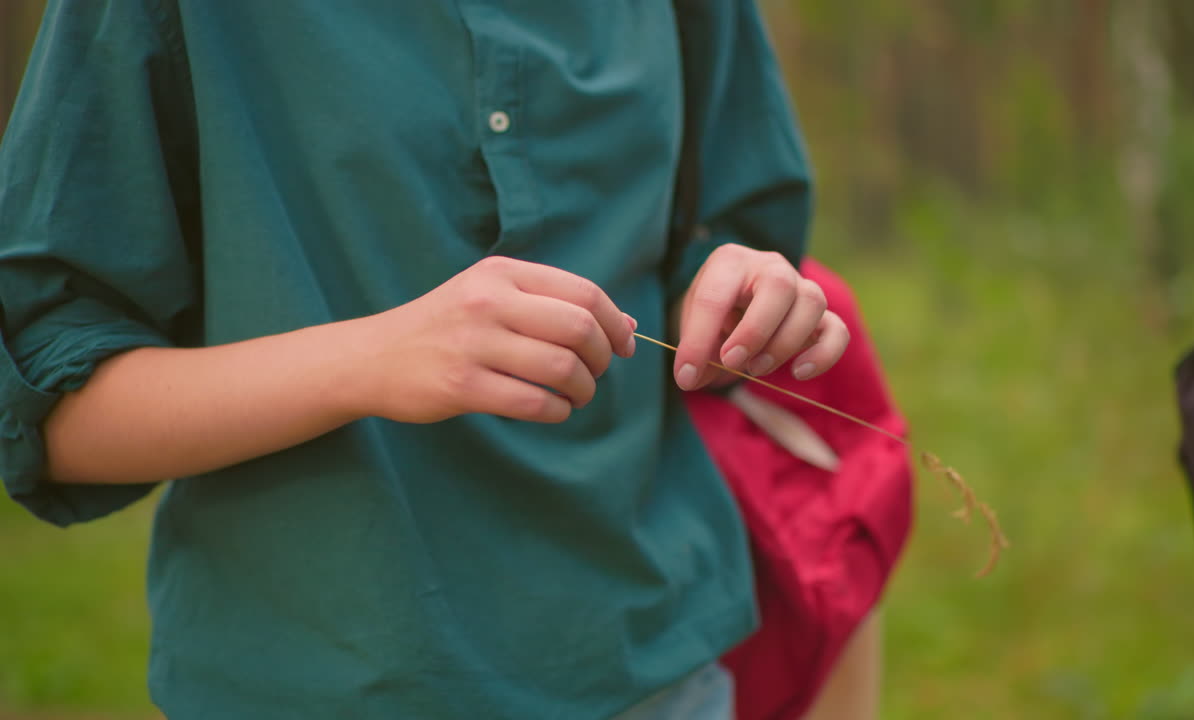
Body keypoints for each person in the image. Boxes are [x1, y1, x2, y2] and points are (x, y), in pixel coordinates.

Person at [0, 2, 848, 718]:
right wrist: (370, 358)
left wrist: (742, 302)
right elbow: (53, 409)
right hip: (312, 685)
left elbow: (712, 242)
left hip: (656, 674)